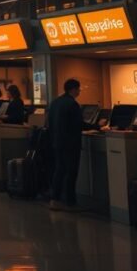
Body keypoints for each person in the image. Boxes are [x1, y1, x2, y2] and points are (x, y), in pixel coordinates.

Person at [48, 78, 95, 211]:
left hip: (57, 142)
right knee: (71, 172)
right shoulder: (72, 104)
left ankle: (55, 199)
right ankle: (70, 202)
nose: (79, 91)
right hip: (71, 143)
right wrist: (98, 127)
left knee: (59, 170)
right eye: (78, 89)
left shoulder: (55, 102)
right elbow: (79, 124)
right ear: (73, 89)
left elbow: (50, 122)